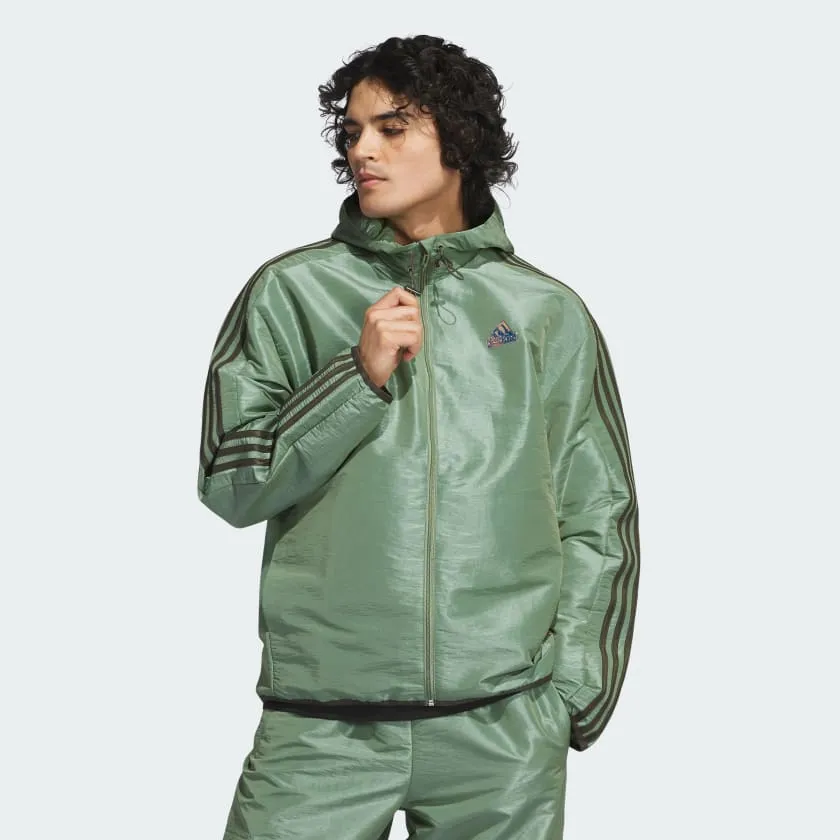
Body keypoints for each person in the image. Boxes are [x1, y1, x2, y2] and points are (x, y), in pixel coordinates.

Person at [197, 33, 639, 840]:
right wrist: (355, 377)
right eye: (352, 132)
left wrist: (571, 696)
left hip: (502, 730)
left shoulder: (544, 312)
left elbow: (598, 512)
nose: (361, 150)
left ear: (460, 139)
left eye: (391, 128)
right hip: (321, 728)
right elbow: (231, 481)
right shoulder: (290, 291)